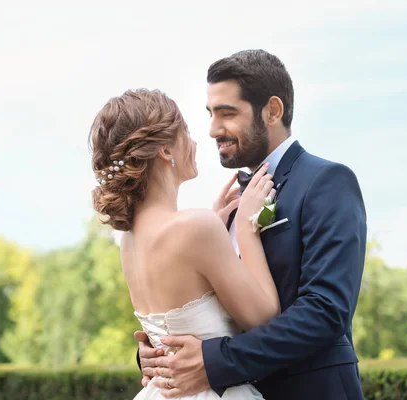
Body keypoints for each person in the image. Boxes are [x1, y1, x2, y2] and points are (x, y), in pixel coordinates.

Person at [137, 49, 368, 400]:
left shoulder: (326, 182)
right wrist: (159, 356)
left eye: (227, 114)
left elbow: (325, 311)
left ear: (272, 111)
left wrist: (216, 364)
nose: (214, 129)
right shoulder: (222, 212)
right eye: (211, 114)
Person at [88, 88, 280, 399]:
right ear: (165, 151)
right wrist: (247, 227)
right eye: (186, 132)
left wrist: (214, 225)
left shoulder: (128, 240)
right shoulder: (196, 228)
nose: (193, 143)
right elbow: (263, 318)